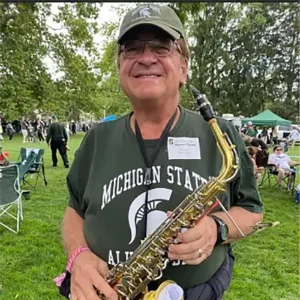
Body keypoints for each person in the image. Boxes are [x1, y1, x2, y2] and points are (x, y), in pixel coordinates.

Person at [57, 5, 263, 300]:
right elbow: (74, 211)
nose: (146, 57)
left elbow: (252, 211)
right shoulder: (96, 139)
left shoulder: (221, 135)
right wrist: (78, 255)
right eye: (131, 48)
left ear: (183, 67)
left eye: (162, 46)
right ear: (119, 67)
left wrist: (216, 228)